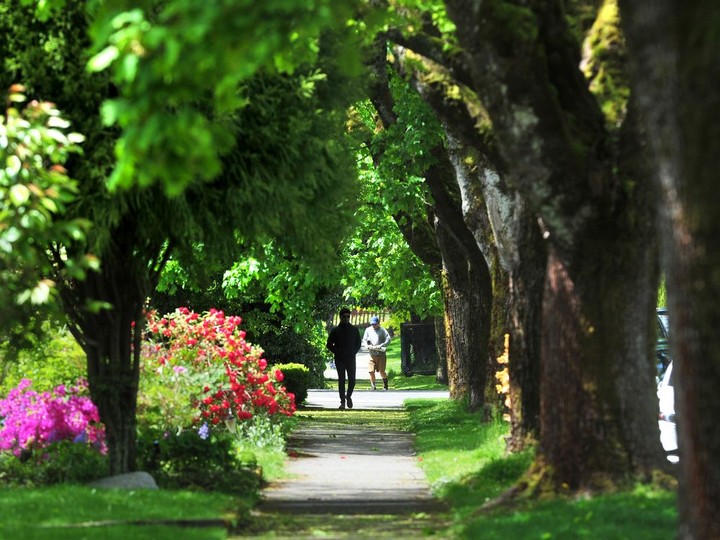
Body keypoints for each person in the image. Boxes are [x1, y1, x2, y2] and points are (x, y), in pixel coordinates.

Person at [326, 307, 361, 409]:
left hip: (350, 358)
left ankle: (348, 396)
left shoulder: (354, 330)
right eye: (344, 317)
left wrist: (353, 352)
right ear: (340, 317)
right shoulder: (335, 330)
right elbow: (329, 344)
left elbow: (358, 343)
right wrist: (337, 352)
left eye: (348, 316)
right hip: (340, 359)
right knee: (341, 380)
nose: (346, 318)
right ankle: (342, 402)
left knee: (352, 380)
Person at [362, 316, 391, 391]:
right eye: (372, 324)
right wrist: (367, 346)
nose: (373, 326)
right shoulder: (368, 330)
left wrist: (382, 345)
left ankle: (385, 383)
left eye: (375, 324)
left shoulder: (382, 330)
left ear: (378, 323)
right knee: (371, 371)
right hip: (372, 354)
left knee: (382, 371)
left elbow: (388, 339)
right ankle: (373, 385)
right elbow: (364, 340)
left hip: (381, 354)